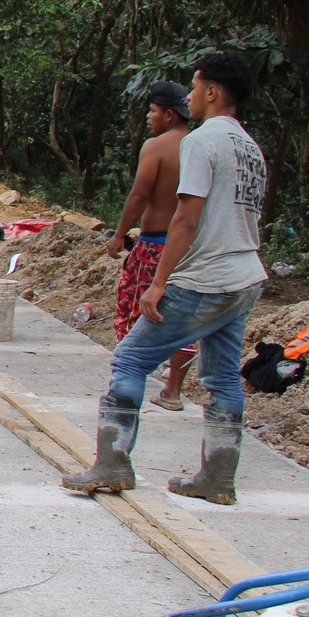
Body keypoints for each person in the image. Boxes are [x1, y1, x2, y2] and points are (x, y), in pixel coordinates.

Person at [63, 54, 268, 506]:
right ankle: (217, 477)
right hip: (244, 276)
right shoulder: (250, 147)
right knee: (222, 378)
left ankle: (112, 463)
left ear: (212, 92)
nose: (189, 97)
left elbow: (187, 218)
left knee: (131, 359)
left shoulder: (201, 140)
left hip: (204, 277)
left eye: (194, 89)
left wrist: (158, 283)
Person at [105, 81, 198, 411]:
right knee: (183, 318)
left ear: (170, 115)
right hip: (189, 248)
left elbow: (140, 195)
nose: (149, 116)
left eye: (153, 111)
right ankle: (173, 390)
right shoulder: (199, 146)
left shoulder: (156, 147)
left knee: (135, 311)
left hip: (156, 245)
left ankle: (128, 385)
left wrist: (118, 234)